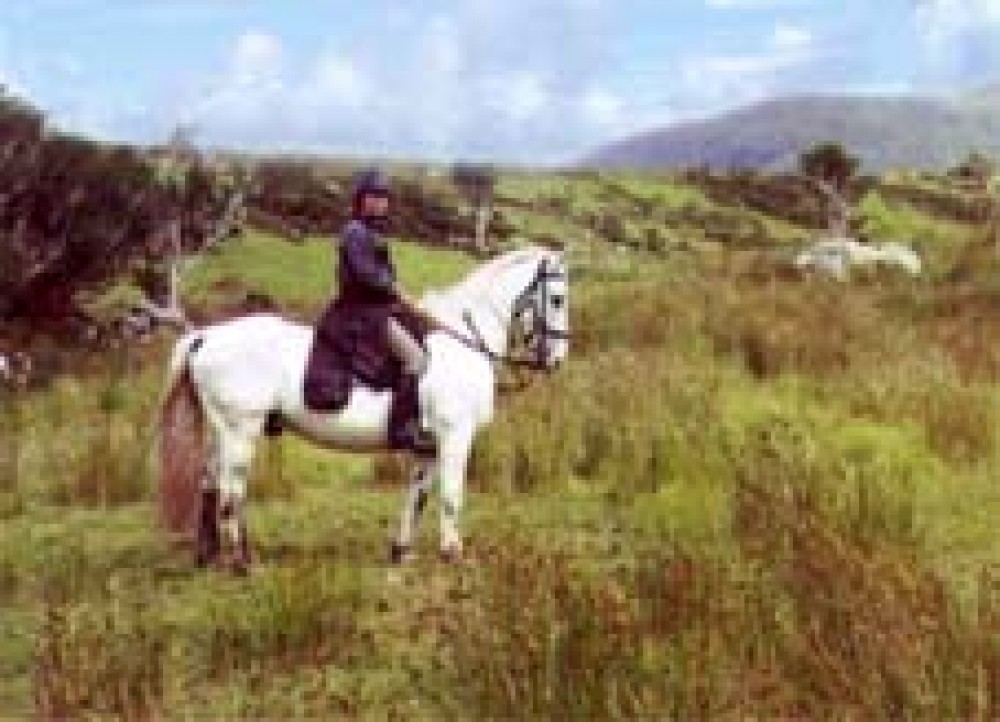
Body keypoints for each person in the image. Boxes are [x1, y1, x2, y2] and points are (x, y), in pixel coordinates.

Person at [307, 167, 437, 457]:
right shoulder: (355, 232)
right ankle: (402, 429)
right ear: (361, 200)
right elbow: (367, 275)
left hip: (375, 309)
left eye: (383, 198)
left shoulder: (370, 232)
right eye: (373, 197)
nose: (379, 203)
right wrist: (396, 290)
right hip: (361, 315)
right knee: (416, 358)